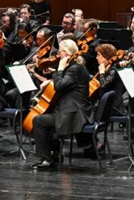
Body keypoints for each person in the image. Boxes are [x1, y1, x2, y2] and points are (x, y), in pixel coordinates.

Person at [29, 39, 91, 170]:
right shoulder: (77, 66)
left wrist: (60, 69)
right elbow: (66, 81)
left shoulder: (74, 68)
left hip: (73, 114)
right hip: (74, 110)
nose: (58, 54)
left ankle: (46, 159)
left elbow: (59, 85)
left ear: (67, 53)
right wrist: (55, 71)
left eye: (60, 52)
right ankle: (55, 154)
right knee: (49, 118)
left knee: (38, 120)